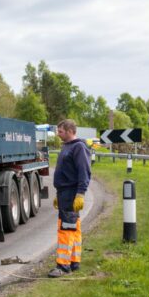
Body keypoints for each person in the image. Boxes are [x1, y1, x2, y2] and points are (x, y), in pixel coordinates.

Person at [48, 119, 92, 278]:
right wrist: (58, 194)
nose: (57, 134)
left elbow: (84, 172)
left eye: (60, 131)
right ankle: (74, 261)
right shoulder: (67, 147)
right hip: (64, 193)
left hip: (71, 193)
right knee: (74, 228)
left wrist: (80, 194)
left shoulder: (79, 147)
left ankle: (63, 266)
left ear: (69, 131)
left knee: (65, 229)